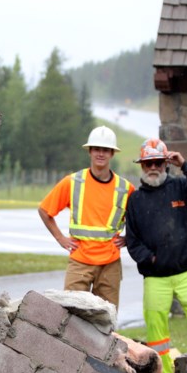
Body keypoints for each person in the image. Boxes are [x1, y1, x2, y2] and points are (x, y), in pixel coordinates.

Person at [125, 138, 187, 373]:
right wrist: (151, 260)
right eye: (148, 163)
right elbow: (133, 241)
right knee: (156, 329)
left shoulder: (182, 188)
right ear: (142, 166)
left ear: (166, 163)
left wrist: (185, 165)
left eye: (157, 162)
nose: (153, 167)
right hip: (156, 277)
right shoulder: (135, 200)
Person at [38, 126, 135, 309]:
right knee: (71, 316)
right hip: (79, 262)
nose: (101, 153)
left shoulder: (125, 188)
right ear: (90, 151)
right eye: (97, 149)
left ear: (112, 153)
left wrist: (130, 238)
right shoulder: (73, 182)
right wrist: (60, 238)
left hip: (110, 264)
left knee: (107, 318)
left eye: (105, 150)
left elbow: (141, 219)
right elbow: (44, 210)